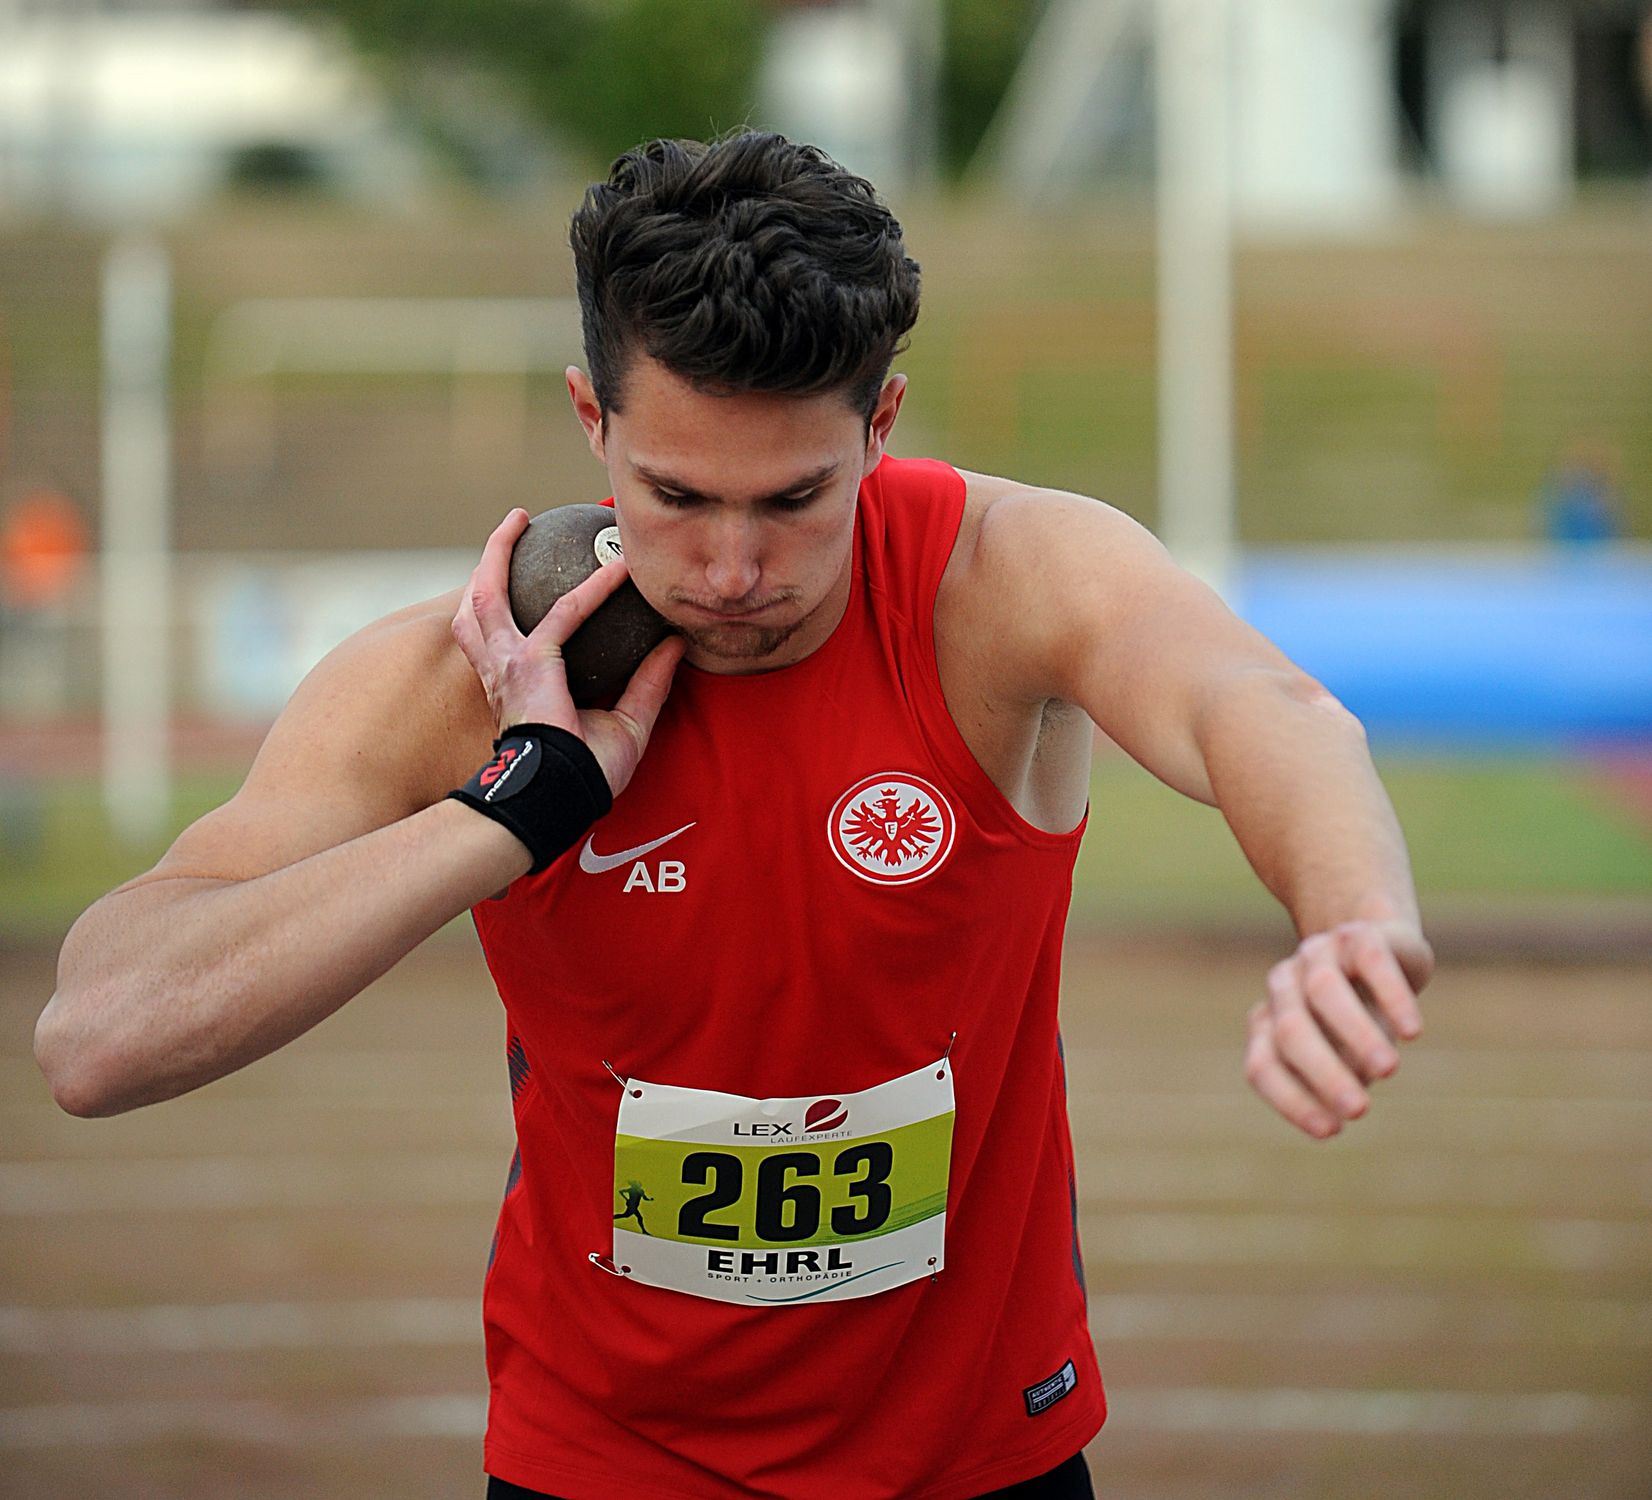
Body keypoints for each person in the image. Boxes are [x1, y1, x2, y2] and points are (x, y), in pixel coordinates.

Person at [35, 132, 1433, 1499]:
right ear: (592, 421)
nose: (733, 567)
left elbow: (1264, 707)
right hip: (601, 1466)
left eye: (795, 498)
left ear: (881, 425)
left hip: (975, 1464)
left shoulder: (1003, 583)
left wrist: (1352, 917)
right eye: (677, 495)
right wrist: (517, 805)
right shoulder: (455, 676)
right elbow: (99, 1037)